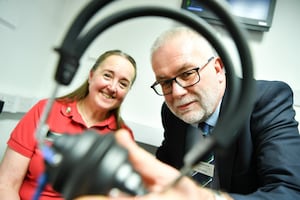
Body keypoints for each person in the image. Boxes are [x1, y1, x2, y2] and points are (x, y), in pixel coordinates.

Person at [78, 26, 300, 200]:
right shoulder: (171, 112)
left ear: (217, 68)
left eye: (187, 74)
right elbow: (165, 166)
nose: (177, 92)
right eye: (164, 82)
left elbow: (290, 192)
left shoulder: (267, 100)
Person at [0, 49, 137, 200]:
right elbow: (7, 183)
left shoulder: (123, 136)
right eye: (107, 75)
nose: (112, 87)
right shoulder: (46, 110)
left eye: (123, 84)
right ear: (91, 76)